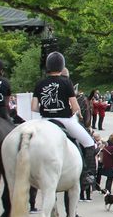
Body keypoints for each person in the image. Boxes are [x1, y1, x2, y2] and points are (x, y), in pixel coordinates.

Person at [32, 52, 96, 185]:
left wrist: (45, 109)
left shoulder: (40, 83)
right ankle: (87, 175)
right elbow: (76, 107)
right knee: (89, 142)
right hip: (64, 120)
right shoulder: (66, 82)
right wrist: (69, 110)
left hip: (45, 120)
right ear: (61, 67)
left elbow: (33, 107)